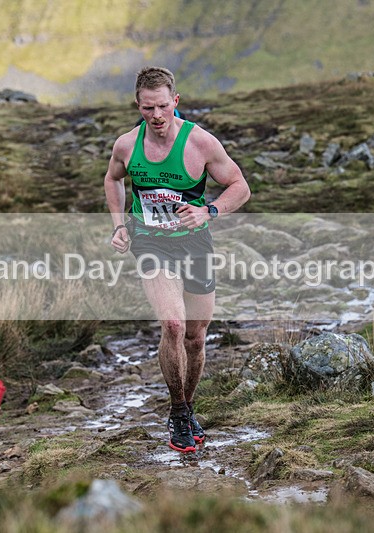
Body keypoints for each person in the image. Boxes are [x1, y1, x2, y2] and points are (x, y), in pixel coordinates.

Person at [104, 67, 250, 453]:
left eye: (163, 106)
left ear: (176, 102)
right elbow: (113, 179)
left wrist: (210, 212)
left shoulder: (200, 143)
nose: (156, 115)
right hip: (151, 243)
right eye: (148, 108)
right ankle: (179, 413)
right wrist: (119, 226)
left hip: (195, 244)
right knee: (172, 324)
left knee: (196, 338)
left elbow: (240, 187)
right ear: (138, 105)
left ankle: (188, 403)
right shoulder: (126, 145)